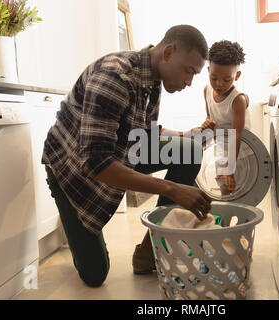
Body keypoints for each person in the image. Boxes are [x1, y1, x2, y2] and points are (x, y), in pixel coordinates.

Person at [42, 25, 212, 287]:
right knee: (95, 274)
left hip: (117, 152)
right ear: (168, 52)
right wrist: (172, 189)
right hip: (73, 167)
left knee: (189, 151)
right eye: (189, 71)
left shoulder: (153, 79)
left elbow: (141, 132)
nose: (189, 82)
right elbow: (96, 162)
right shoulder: (114, 77)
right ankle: (69, 212)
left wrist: (182, 135)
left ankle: (151, 250)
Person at [198, 40, 251, 195]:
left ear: (237, 76)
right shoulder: (207, 91)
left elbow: (237, 134)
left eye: (226, 80)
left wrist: (231, 166)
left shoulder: (238, 100)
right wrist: (207, 123)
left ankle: (244, 220)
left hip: (242, 154)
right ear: (208, 70)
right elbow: (210, 118)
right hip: (221, 150)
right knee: (224, 192)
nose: (219, 84)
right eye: (214, 78)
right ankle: (224, 220)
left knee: (242, 197)